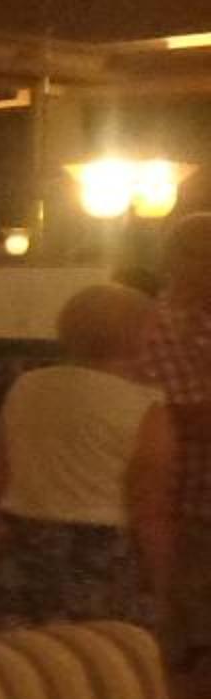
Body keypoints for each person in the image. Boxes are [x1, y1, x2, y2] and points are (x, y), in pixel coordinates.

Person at [0, 282, 170, 631]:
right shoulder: (146, 409)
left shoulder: (26, 386)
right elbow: (148, 509)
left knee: (19, 653)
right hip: (102, 553)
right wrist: (160, 582)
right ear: (139, 336)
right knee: (88, 655)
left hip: (22, 539)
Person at [135, 210, 211, 667]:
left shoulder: (202, 323)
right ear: (180, 260)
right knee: (179, 643)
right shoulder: (154, 326)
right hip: (179, 506)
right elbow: (181, 414)